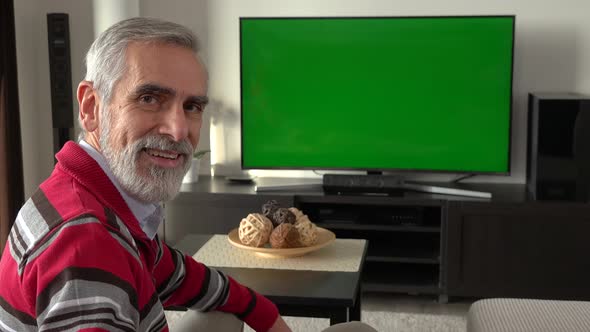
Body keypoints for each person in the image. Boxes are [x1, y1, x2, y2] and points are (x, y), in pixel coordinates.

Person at [0, 17, 376, 332]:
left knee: (225, 312)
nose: (179, 131)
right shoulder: (85, 246)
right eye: (150, 98)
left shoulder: (89, 195)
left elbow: (172, 272)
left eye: (192, 105)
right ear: (91, 107)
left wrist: (263, 312)